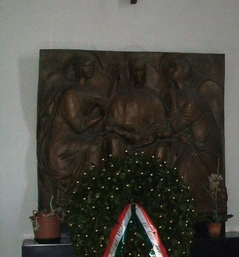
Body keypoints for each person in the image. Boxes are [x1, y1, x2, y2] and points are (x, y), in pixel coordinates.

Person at [37, 54, 108, 207]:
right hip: (60, 146)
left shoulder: (91, 90)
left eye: (92, 66)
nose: (91, 69)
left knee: (101, 141)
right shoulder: (70, 93)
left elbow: (106, 103)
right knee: (94, 146)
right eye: (87, 66)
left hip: (76, 140)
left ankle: (94, 192)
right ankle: (90, 192)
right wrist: (99, 116)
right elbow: (78, 126)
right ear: (78, 69)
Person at [162, 54, 223, 213]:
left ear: (183, 72)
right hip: (189, 145)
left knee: (179, 179)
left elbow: (176, 125)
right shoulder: (181, 94)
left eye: (175, 67)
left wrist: (172, 99)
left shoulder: (191, 99)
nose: (171, 70)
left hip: (201, 151)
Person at [106, 56, 171, 160]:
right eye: (135, 71)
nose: (138, 74)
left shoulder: (154, 98)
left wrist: (149, 134)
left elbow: (162, 125)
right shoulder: (122, 97)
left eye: (140, 71)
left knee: (161, 148)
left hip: (148, 143)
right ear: (131, 72)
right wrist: (125, 132)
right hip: (125, 142)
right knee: (113, 141)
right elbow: (110, 122)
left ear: (145, 72)